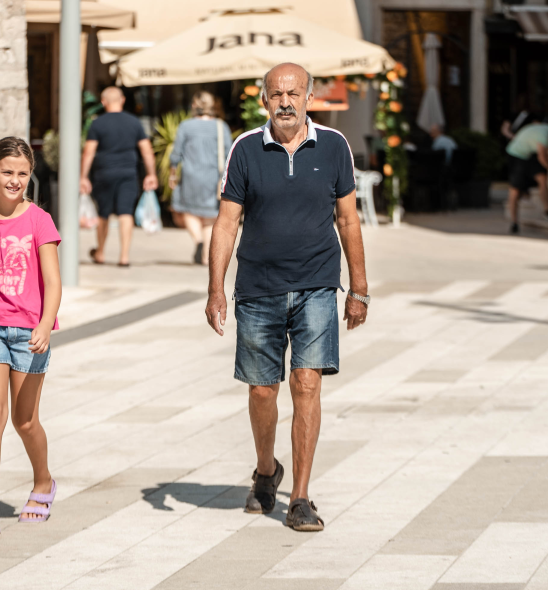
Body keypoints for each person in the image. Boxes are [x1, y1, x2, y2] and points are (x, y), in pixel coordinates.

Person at [205, 63, 369, 533]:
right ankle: (265, 469)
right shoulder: (245, 149)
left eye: (294, 93)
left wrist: (358, 289)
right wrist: (216, 288)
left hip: (318, 284)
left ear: (309, 98)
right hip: (258, 289)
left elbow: (349, 221)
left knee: (307, 385)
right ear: (263, 100)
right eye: (276, 94)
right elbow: (226, 223)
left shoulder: (335, 147)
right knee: (262, 391)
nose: (285, 102)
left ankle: (299, 496)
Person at [0, 137, 63, 538]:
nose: (15, 180)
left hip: (29, 332)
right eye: (7, 172)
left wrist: (44, 324)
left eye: (23, 173)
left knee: (25, 421)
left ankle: (43, 482)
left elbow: (53, 283)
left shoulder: (39, 220)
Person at [80, 87, 158, 267]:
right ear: (122, 100)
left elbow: (89, 152)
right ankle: (124, 257)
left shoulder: (97, 123)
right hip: (128, 174)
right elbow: (146, 150)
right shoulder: (134, 122)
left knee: (103, 214)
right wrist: (151, 174)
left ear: (103, 102)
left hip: (103, 173)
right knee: (125, 213)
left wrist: (83, 176)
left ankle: (100, 252)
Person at [169, 91, 234, 265]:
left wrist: (172, 172)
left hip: (190, 176)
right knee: (209, 217)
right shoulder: (221, 126)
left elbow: (176, 154)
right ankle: (206, 255)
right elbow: (230, 154)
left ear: (194, 106)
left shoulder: (186, 126)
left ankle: (198, 241)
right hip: (213, 177)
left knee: (189, 211)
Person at [505, 120, 548, 233]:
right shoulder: (544, 135)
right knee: (515, 189)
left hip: (530, 155)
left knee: (542, 179)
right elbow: (542, 158)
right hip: (516, 155)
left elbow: (545, 155)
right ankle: (514, 221)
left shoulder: (546, 130)